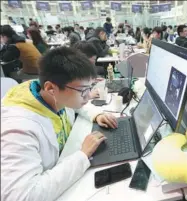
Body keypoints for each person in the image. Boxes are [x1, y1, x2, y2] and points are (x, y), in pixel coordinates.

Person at [1, 47, 118, 201]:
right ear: (51, 88)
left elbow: (75, 103)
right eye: (84, 90)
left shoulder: (49, 92)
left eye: (89, 88)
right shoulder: (18, 130)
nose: (88, 96)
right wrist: (82, 156)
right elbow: (23, 196)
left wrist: (96, 114)